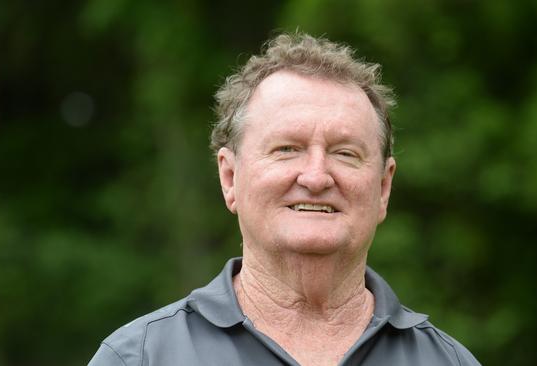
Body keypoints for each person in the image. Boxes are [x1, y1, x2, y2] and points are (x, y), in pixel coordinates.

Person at [88, 32, 480, 366]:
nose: (315, 176)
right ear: (230, 177)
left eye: (345, 153)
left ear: (382, 188)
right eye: (286, 149)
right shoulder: (140, 358)